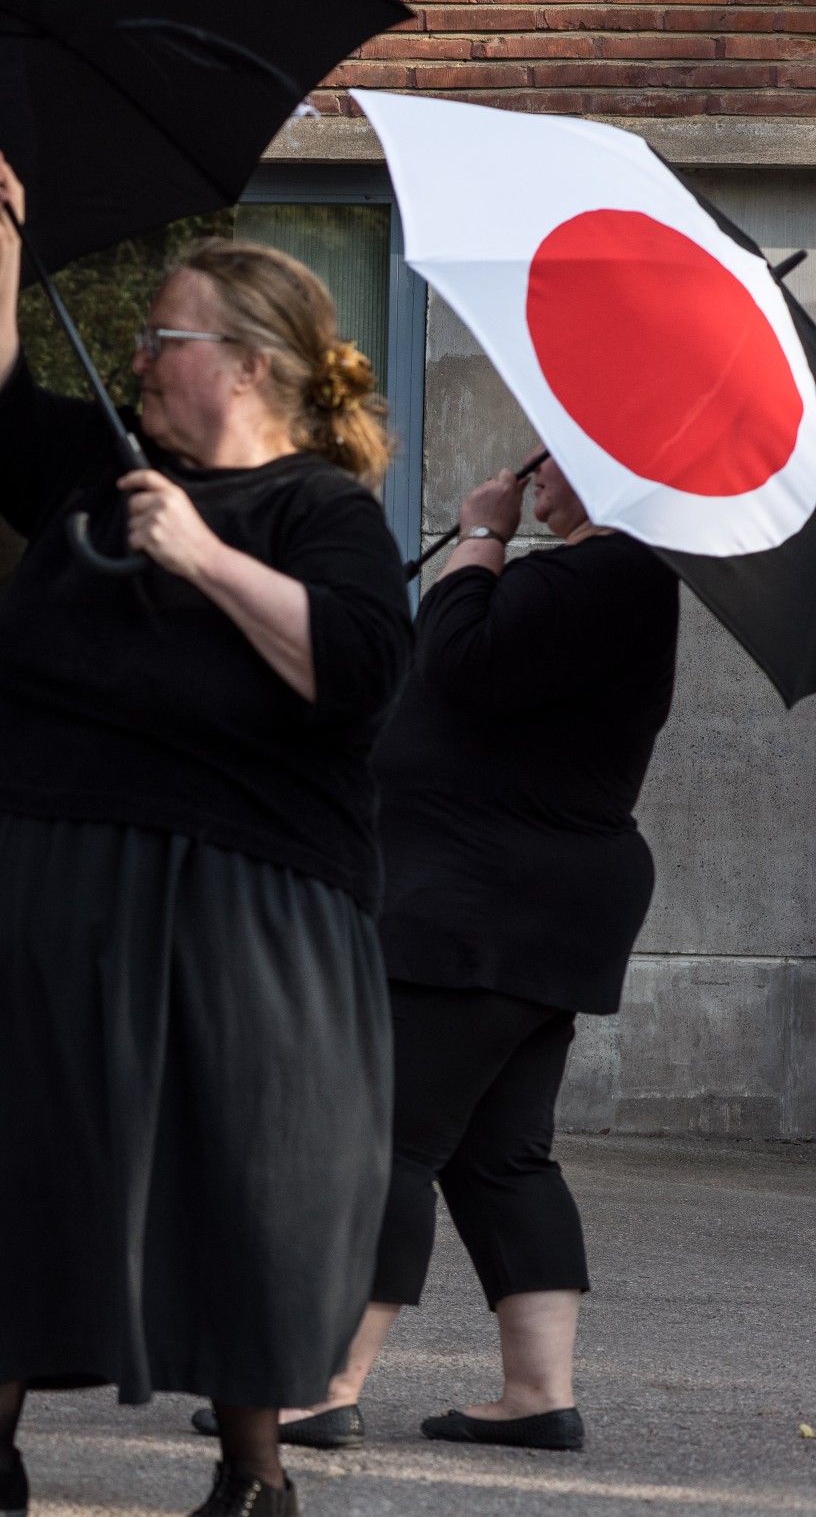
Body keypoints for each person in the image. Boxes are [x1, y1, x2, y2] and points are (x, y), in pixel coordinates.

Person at [0, 131, 411, 1517]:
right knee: (25, 1153)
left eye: (171, 333)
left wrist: (207, 556)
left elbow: (352, 672)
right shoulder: (96, 476)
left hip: (242, 898)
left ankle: (253, 1470)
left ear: (253, 365)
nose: (147, 354)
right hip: (49, 870)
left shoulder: (319, 511)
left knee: (236, 1173)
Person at [189, 451, 679, 1456]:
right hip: (519, 901)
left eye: (558, 449)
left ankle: (320, 1384)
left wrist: (483, 534)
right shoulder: (610, 584)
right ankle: (537, 1390)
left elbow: (460, 664)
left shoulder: (596, 574)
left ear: (605, 477)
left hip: (482, 902)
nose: (535, 462)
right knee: (501, 1154)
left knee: (383, 1141)